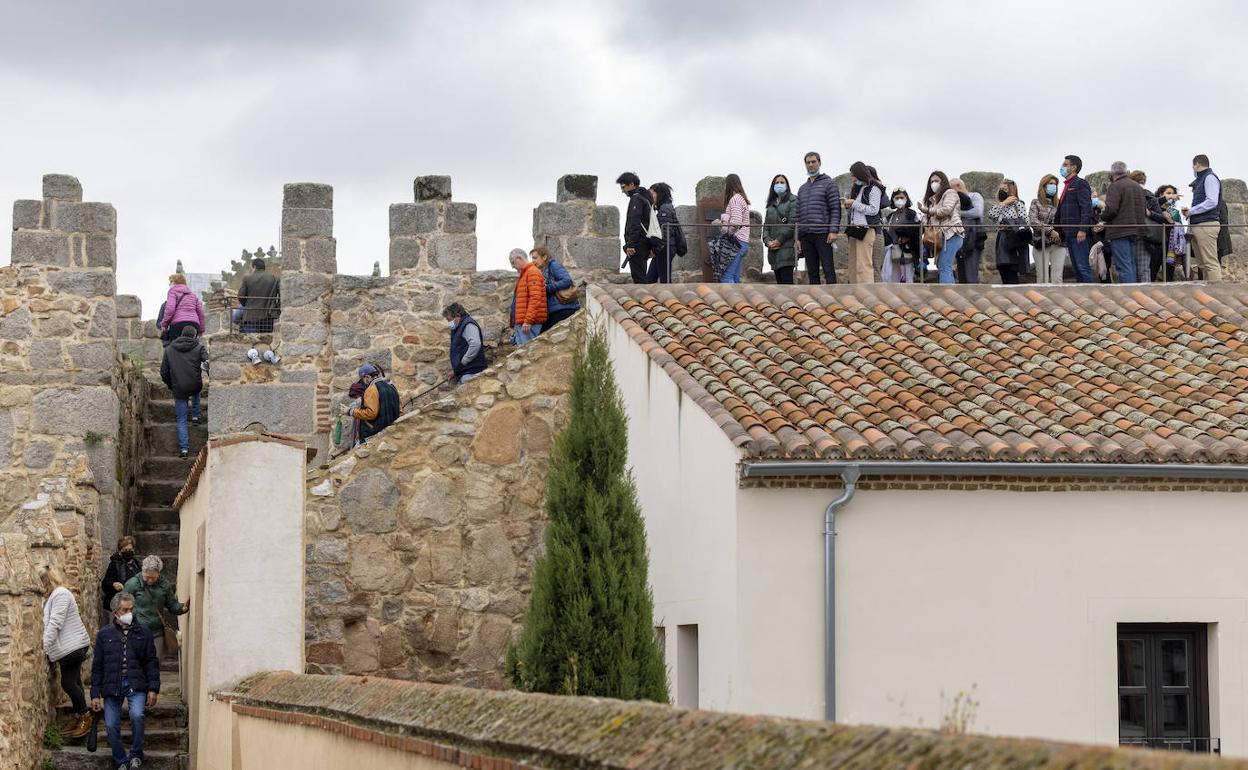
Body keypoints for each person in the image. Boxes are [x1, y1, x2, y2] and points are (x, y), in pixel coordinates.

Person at [90, 591, 160, 770]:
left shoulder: (143, 633)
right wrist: (94, 694)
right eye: (125, 610)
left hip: (136, 684)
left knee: (137, 715)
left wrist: (153, 688)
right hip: (112, 685)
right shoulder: (104, 634)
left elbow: (152, 662)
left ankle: (136, 754)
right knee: (111, 724)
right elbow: (97, 666)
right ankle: (121, 760)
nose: (129, 613)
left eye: (131, 609)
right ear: (115, 612)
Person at [40, 566, 93, 739]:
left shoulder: (61, 594)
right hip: (67, 648)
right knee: (75, 681)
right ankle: (78, 716)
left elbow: (56, 623)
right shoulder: (50, 597)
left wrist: (44, 646)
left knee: (68, 683)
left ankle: (86, 716)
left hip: (73, 646)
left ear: (47, 580)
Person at [123, 556, 189, 662]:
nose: (149, 580)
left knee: (155, 662)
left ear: (159, 573)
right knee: (138, 663)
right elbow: (122, 605)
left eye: (153, 578)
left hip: (157, 632)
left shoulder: (164, 585)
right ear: (142, 571)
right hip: (136, 630)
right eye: (147, 577)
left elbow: (172, 605)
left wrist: (183, 608)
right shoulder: (132, 584)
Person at [159, 326, 207, 459]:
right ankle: (196, 416)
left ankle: (184, 450)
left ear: (181, 334)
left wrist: (171, 385)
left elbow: (163, 372)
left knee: (181, 420)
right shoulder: (199, 348)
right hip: (194, 384)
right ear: (195, 336)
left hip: (178, 387)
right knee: (196, 388)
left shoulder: (169, 349)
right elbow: (207, 361)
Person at [795, 151, 842, 284]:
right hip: (806, 235)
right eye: (808, 162)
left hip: (823, 233)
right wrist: (797, 237)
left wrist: (833, 230)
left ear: (819, 163)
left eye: (813, 162)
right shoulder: (802, 189)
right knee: (812, 271)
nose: (810, 165)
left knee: (828, 268)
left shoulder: (829, 183)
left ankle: (833, 299)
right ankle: (815, 302)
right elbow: (797, 214)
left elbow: (835, 208)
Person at [1100, 161, 1147, 284]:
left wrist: (1102, 216)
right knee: (1131, 264)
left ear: (1112, 173)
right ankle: (1134, 292)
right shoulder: (1137, 187)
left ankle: (1128, 295)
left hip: (1120, 230)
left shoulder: (1115, 186)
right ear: (1126, 171)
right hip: (1136, 229)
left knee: (1123, 266)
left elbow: (1111, 210)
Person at [918, 171, 965, 285]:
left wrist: (928, 211)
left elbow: (946, 210)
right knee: (942, 266)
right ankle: (951, 293)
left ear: (943, 181)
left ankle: (947, 294)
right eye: (932, 182)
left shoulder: (950, 193)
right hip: (940, 238)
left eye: (936, 181)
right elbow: (929, 221)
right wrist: (924, 216)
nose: (934, 184)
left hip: (952, 233)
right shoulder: (932, 200)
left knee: (944, 266)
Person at [1054, 154, 1095, 283]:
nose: (1062, 167)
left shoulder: (1080, 184)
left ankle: (1090, 293)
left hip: (1078, 233)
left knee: (1083, 266)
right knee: (1077, 268)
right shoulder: (1067, 185)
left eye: (1065, 165)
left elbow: (1086, 208)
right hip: (1068, 233)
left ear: (1074, 167)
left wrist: (1083, 229)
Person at [842, 162, 884, 283]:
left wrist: (854, 203)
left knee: (864, 264)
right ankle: (855, 291)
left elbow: (873, 210)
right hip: (856, 230)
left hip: (866, 229)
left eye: (854, 175)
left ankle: (866, 293)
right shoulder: (861, 189)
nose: (853, 178)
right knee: (853, 264)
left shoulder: (874, 189)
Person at [341, 363, 401, 442]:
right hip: (392, 431)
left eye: (363, 380)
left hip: (375, 433)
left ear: (367, 377)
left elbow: (371, 413)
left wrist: (350, 411)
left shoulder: (371, 389)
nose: (364, 383)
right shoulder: (392, 387)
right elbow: (400, 410)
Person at [987, 179, 1031, 284]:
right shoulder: (1000, 205)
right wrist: (1004, 203)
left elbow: (1026, 222)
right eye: (1000, 189)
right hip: (1001, 239)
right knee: (1002, 267)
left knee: (1011, 269)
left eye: (1005, 189)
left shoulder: (1019, 204)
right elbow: (991, 214)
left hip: (1013, 239)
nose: (1002, 191)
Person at [1187, 154, 1223, 282]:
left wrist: (1192, 211)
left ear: (1197, 164)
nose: (1192, 168)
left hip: (1206, 225)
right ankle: (1210, 292)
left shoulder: (1209, 178)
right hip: (1200, 225)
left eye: (1193, 165)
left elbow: (1212, 201)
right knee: (1203, 264)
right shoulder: (1203, 179)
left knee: (1210, 263)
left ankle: (1217, 293)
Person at [531, 245, 580, 330]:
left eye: (535, 258)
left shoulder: (553, 265)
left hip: (563, 309)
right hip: (554, 311)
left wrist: (547, 288)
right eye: (532, 258)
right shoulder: (543, 270)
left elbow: (567, 281)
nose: (533, 261)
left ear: (544, 257)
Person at [647, 182, 687, 284]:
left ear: (659, 193)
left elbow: (665, 233)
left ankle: (670, 299)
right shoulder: (664, 208)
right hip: (663, 248)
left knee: (665, 281)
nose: (651, 196)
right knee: (649, 279)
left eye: (652, 193)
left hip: (665, 248)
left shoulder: (665, 209)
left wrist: (655, 250)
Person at [714, 174, 751, 283]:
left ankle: (732, 300)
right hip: (743, 242)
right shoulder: (741, 198)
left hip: (736, 243)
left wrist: (723, 224)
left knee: (726, 277)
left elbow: (736, 223)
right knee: (735, 277)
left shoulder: (735, 199)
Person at [617, 172, 653, 283]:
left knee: (639, 278)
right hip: (644, 243)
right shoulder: (645, 198)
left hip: (638, 245)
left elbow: (635, 222)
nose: (622, 190)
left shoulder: (636, 199)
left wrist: (631, 244)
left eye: (623, 187)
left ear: (631, 184)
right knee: (641, 275)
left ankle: (643, 299)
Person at [1030, 175, 1066, 283]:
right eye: (1051, 184)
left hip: (1059, 244)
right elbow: (1033, 221)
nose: (1053, 186)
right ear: (1044, 186)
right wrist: (1050, 230)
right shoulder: (1035, 202)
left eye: (1055, 184)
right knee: (1042, 277)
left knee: (1057, 278)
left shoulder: (1060, 203)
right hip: (1041, 243)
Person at [506, 247, 547, 344]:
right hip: (524, 323)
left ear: (519, 258)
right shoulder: (526, 274)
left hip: (528, 324)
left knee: (528, 356)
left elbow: (536, 298)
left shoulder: (532, 272)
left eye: (513, 262)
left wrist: (528, 320)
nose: (512, 266)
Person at [763, 174, 798, 285]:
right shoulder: (770, 206)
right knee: (779, 285)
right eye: (777, 183)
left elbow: (792, 224)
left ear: (787, 185)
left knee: (787, 285)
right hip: (773, 252)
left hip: (786, 249)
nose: (779, 185)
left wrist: (779, 240)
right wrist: (767, 241)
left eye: (782, 182)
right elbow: (766, 227)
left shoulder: (793, 201)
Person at [1131, 170, 1165, 282]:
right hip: (1136, 234)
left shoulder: (1150, 197)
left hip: (1142, 236)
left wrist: (1149, 213)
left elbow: (1161, 217)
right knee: (1139, 268)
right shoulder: (1129, 195)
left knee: (1140, 268)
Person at [442, 303, 488, 384]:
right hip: (466, 371)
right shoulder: (459, 326)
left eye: (449, 320)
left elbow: (475, 344)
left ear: (458, 315)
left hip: (472, 371)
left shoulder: (468, 325)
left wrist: (464, 361)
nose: (449, 323)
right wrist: (456, 370)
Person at [950, 178, 985, 283]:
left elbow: (977, 212)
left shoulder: (975, 196)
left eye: (952, 191)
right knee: (962, 275)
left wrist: (957, 213)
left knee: (971, 274)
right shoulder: (955, 201)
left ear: (958, 186)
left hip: (973, 239)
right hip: (960, 238)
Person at [883, 188, 921, 283]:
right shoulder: (891, 216)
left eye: (902, 197)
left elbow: (919, 229)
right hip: (893, 249)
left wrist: (907, 236)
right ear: (893, 199)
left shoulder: (911, 214)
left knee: (908, 276)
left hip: (907, 249)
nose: (899, 200)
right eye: (897, 198)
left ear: (906, 198)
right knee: (894, 276)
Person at [233, 257, 280, 333]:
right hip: (267, 318)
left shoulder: (247, 278)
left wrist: (246, 304)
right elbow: (280, 296)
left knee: (251, 342)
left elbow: (240, 296)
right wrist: (276, 308)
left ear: (254, 267)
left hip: (250, 316)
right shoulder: (274, 278)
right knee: (265, 343)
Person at [158, 273, 205, 340]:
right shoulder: (193, 295)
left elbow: (170, 309)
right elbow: (201, 313)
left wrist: (164, 324)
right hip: (194, 324)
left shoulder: (172, 291)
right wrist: (201, 330)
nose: (169, 284)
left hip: (178, 324)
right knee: (192, 347)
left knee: (176, 347)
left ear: (175, 282)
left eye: (171, 282)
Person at [101, 536, 142, 612]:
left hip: (135, 604)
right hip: (120, 604)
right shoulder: (114, 564)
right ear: (120, 551)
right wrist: (113, 584)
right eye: (125, 550)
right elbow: (105, 584)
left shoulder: (137, 564)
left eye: (130, 549)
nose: (128, 552)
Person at [1156, 184, 1187, 281]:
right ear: (1161, 194)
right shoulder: (1155, 207)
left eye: (1173, 194)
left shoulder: (1175, 212)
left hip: (1171, 247)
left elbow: (1180, 230)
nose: (1172, 196)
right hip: (1156, 244)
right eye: (1168, 193)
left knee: (1169, 273)